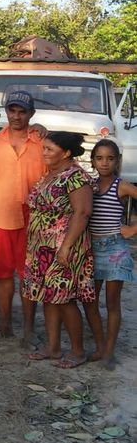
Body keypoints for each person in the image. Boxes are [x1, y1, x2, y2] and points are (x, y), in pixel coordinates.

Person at [0, 91, 45, 343]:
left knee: (29, 274)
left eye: (22, 111)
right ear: (6, 112)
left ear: (31, 114)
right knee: (2, 273)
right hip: (0, 216)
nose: (16, 116)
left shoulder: (41, 142)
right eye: (12, 110)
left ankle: (28, 328)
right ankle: (4, 325)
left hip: (34, 219)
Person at [23, 132, 94, 368]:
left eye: (49, 149)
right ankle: (53, 347)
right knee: (48, 297)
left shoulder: (76, 177)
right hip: (42, 248)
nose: (43, 153)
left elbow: (82, 212)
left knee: (64, 299)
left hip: (64, 247)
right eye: (43, 148)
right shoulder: (50, 175)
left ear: (66, 153)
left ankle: (77, 351)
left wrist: (65, 248)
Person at [82, 139, 137, 370]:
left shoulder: (121, 186)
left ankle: (110, 352)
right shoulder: (89, 186)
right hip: (92, 249)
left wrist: (133, 228)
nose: (104, 163)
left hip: (115, 249)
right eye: (99, 158)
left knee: (112, 302)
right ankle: (101, 345)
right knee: (89, 300)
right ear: (93, 161)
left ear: (117, 161)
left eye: (110, 158)